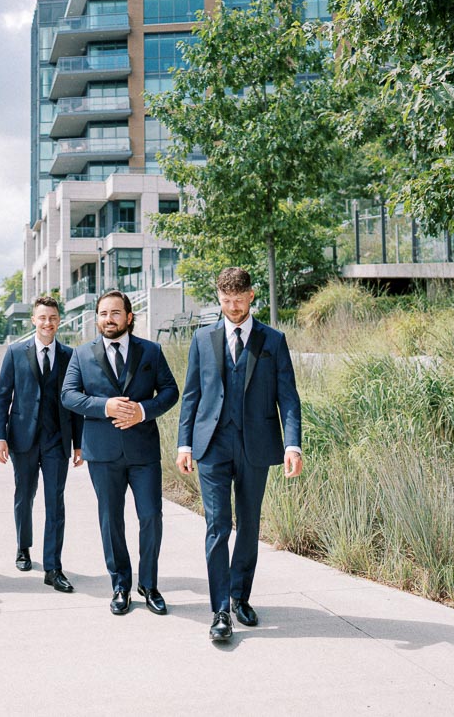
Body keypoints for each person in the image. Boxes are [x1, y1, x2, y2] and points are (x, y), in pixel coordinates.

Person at [176, 267, 303, 643]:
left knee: (249, 525)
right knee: (218, 526)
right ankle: (219, 611)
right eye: (225, 301)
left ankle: (240, 597)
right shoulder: (203, 338)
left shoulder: (273, 341)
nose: (232, 308)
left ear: (251, 296)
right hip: (211, 446)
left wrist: (292, 444)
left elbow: (289, 399)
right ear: (219, 298)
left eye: (238, 300)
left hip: (256, 446)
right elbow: (192, 395)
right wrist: (184, 444)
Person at [61, 289, 178, 616]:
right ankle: (120, 584)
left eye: (115, 313)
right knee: (111, 520)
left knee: (151, 516)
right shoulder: (82, 355)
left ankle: (149, 584)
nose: (108, 319)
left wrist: (143, 410)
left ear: (128, 317)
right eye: (102, 313)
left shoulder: (151, 352)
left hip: (143, 452)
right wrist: (104, 406)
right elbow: (68, 396)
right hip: (102, 452)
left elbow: (170, 391)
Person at [0, 295, 83, 592]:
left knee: (55, 502)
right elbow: (2, 396)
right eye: (42, 318)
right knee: (25, 495)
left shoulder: (71, 355)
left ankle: (53, 566)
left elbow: (77, 402)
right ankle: (23, 546)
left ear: (59, 321)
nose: (48, 323)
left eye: (53, 318)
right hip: (23, 438)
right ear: (33, 320)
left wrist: (79, 444)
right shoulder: (16, 352)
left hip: (57, 440)